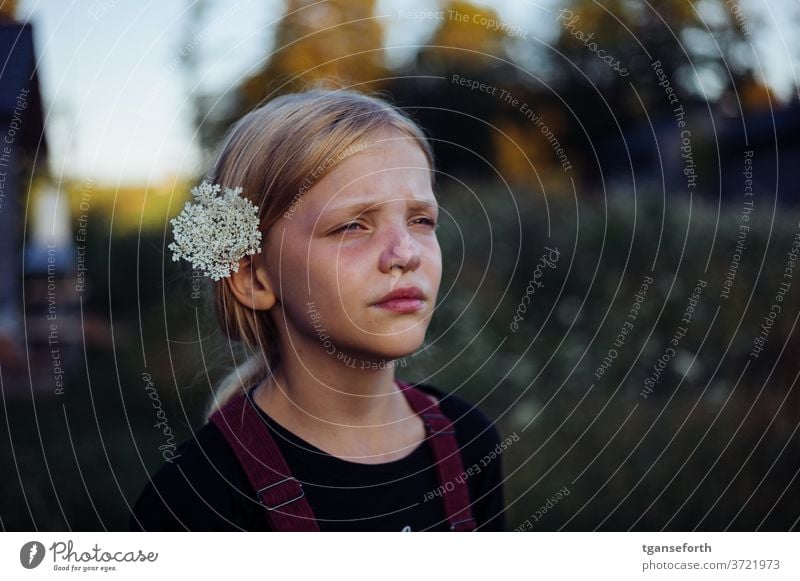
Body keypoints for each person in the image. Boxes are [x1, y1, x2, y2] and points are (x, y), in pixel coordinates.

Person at [129, 87, 506, 531]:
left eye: (421, 220)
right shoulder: (196, 500)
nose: (406, 253)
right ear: (254, 278)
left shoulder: (468, 441)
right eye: (352, 226)